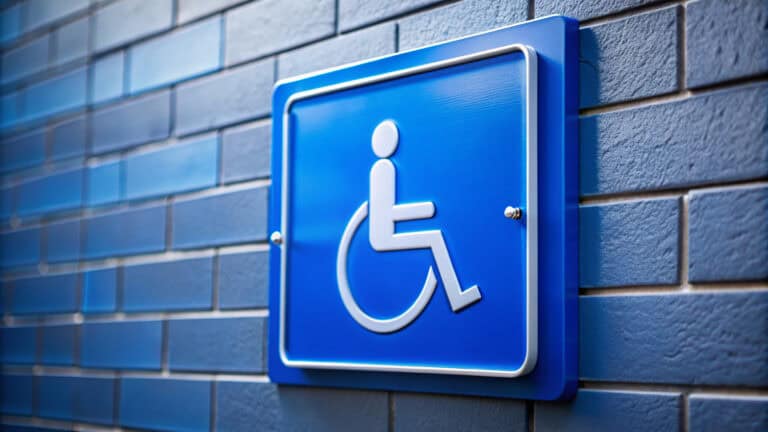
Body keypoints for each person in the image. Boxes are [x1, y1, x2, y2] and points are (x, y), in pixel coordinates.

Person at [368, 120, 481, 312]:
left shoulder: (386, 168)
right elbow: (384, 212)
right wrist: (425, 210)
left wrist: (423, 211)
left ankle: (457, 295)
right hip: (383, 237)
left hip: (391, 229)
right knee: (434, 238)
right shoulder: (382, 170)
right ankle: (456, 296)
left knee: (434, 238)